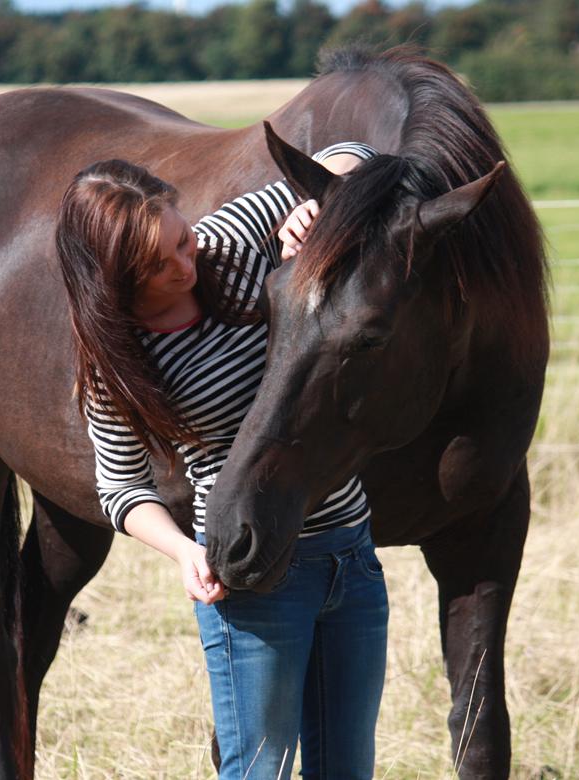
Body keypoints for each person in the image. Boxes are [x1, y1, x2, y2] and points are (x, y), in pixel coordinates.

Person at [57, 136, 388, 779]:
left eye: (181, 239)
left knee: (348, 771)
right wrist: (185, 553)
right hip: (253, 571)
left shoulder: (226, 241)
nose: (186, 262)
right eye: (157, 265)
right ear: (112, 279)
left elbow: (357, 153)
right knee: (257, 771)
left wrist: (317, 209)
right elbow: (120, 488)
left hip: (350, 550)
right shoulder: (117, 365)